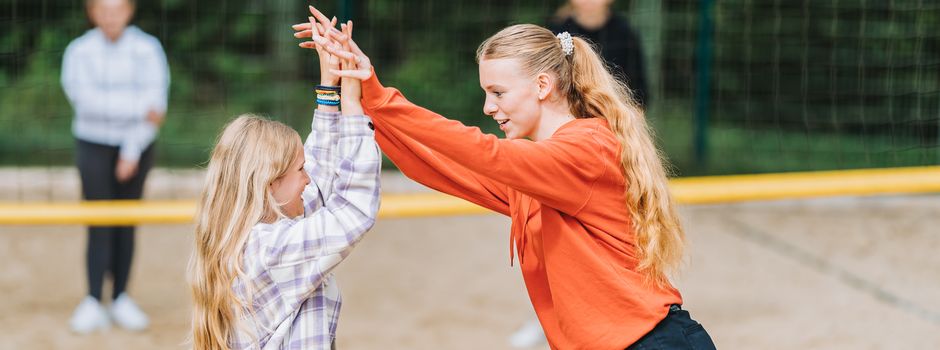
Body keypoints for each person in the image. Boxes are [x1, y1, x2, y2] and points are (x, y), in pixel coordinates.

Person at [301, 10, 716, 349]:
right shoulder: (536, 170)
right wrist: (360, 96)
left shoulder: (587, 148)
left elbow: (483, 152)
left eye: (498, 92)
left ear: (542, 85)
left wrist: (380, 94)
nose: (487, 106)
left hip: (653, 342)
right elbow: (438, 167)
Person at [188, 12, 380, 349]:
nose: (308, 180)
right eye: (299, 170)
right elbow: (353, 211)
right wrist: (353, 104)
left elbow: (318, 174)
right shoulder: (272, 250)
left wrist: (330, 85)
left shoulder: (253, 235)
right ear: (269, 185)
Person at [61, 0, 169, 334]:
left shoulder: (148, 48)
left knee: (127, 221)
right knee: (97, 221)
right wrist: (137, 107)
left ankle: (121, 297)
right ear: (91, 12)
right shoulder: (78, 51)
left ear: (129, 10)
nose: (110, 16)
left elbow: (157, 107)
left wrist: (131, 149)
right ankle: (94, 299)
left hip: (138, 146)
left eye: (117, 8)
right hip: (92, 145)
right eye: (103, 9)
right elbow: (84, 101)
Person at [549, 0, 650, 108]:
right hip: (568, 110)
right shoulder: (556, 32)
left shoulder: (625, 34)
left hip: (613, 112)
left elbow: (639, 90)